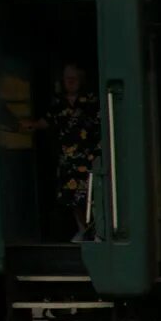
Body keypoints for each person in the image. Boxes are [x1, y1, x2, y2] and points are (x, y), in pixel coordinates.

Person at [22, 61, 101, 243]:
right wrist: (30, 124)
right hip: (67, 158)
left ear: (81, 80)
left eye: (74, 78)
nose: (70, 82)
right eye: (67, 78)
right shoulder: (58, 102)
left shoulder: (92, 100)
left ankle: (98, 232)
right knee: (72, 198)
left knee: (93, 195)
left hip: (89, 157)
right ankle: (83, 230)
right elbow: (48, 121)